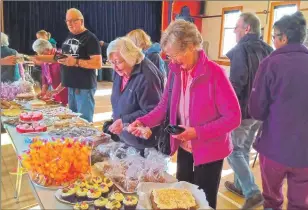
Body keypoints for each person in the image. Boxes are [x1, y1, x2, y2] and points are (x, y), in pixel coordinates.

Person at [129, 19, 241, 209]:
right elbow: (164, 105)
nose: (172, 61)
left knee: (203, 202)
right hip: (184, 147)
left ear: (190, 47)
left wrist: (197, 132)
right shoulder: (175, 71)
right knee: (181, 199)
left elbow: (233, 118)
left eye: (175, 55)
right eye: (170, 57)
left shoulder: (215, 74)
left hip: (209, 152)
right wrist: (143, 121)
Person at [249, 11, 308, 210]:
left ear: (283, 38)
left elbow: (257, 111)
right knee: (301, 205)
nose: (273, 41)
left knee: (272, 201)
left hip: (274, 147)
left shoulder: (269, 64)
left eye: (274, 36)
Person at [224, 12, 273, 209]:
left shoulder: (240, 50)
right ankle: (240, 185)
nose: (234, 30)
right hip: (260, 112)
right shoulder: (269, 50)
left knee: (232, 150)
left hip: (243, 112)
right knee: (243, 148)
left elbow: (237, 83)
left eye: (237, 26)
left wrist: (225, 109)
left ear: (247, 29)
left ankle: (252, 191)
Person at [35, 8, 102, 122]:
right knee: (73, 122)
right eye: (67, 21)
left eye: (73, 21)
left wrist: (76, 62)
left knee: (84, 122)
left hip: (83, 87)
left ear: (81, 21)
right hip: (70, 87)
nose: (70, 24)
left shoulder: (90, 38)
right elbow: (63, 59)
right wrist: (40, 58)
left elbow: (98, 63)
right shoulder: (70, 36)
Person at [106, 37, 163, 156]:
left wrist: (125, 121)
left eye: (118, 62)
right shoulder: (120, 71)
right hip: (125, 136)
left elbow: (153, 111)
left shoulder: (147, 77)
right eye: (111, 62)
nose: (115, 67)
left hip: (142, 143)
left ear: (130, 57)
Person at [32, 39, 68, 105]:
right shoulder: (45, 60)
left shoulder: (60, 56)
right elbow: (45, 78)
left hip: (67, 92)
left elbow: (67, 77)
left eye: (42, 53)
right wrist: (43, 91)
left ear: (48, 49)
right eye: (39, 54)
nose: (41, 56)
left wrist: (56, 90)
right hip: (55, 93)